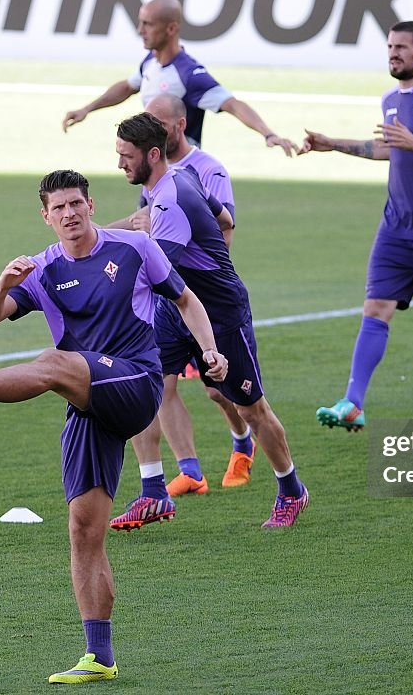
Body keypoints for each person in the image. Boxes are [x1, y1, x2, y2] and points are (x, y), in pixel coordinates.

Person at [0, 169, 227, 683]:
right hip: (88, 403)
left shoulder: (133, 247)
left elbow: (185, 300)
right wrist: (4, 283)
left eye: (76, 204)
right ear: (46, 215)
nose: (69, 214)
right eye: (58, 208)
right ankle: (99, 658)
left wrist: (210, 350)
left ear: (90, 204)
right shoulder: (42, 267)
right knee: (84, 531)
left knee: (55, 361)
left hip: (137, 382)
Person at [110, 112, 309, 530]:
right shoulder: (180, 177)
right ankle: (153, 493)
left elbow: (155, 269)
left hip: (217, 312)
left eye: (126, 156)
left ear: (151, 154)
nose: (120, 165)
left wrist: (98, 257)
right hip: (175, 310)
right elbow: (225, 220)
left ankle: (291, 489)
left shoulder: (168, 201)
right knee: (148, 387)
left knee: (250, 409)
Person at [300, 21, 413, 435]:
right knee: (375, 308)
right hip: (396, 227)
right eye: (389, 47)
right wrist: (333, 144)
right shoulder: (389, 99)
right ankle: (354, 402)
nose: (393, 54)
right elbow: (387, 148)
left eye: (401, 47)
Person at [111, 93, 258, 495]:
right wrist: (94, 238)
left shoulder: (205, 170)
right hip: (171, 302)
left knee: (218, 389)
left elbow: (224, 225)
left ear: (177, 125)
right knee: (157, 383)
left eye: (157, 120)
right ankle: (189, 471)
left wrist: (207, 276)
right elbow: (146, 223)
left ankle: (243, 439)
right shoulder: (155, 178)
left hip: (206, 300)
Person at [62, 0, 296, 155]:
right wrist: (87, 109)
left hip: (182, 174)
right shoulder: (151, 61)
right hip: (156, 167)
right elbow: (127, 87)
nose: (140, 30)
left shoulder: (189, 74)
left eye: (148, 24)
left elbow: (233, 105)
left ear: (171, 29)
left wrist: (268, 134)